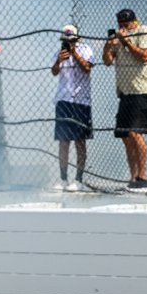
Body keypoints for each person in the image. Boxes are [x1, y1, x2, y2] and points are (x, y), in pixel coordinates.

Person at [103, 8, 147, 192]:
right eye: (120, 24)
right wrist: (109, 44)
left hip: (143, 89)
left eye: (126, 24)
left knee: (135, 132)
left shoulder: (144, 30)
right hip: (125, 92)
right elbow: (107, 61)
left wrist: (126, 41)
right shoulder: (118, 37)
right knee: (126, 136)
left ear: (134, 21)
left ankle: (143, 176)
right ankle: (133, 177)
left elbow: (144, 56)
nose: (123, 27)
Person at [50, 24, 94, 191]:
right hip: (63, 99)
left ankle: (79, 180)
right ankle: (63, 179)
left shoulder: (86, 49)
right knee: (63, 140)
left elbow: (87, 69)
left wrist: (74, 52)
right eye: (65, 40)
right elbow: (54, 72)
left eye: (71, 40)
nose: (68, 43)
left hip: (81, 101)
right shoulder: (59, 53)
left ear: (77, 39)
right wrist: (59, 60)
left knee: (80, 140)